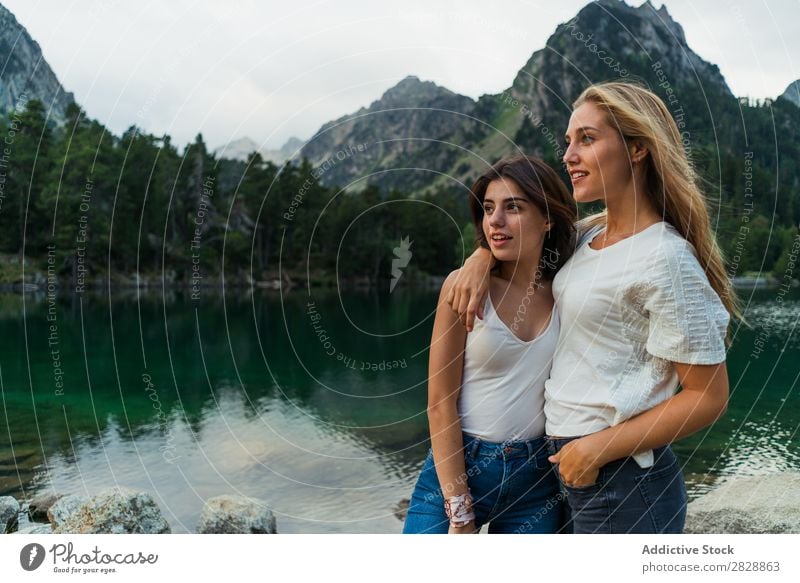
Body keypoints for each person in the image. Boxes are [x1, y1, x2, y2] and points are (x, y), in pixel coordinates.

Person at [446, 81, 738, 533]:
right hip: (563, 470)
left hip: (621, 480)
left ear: (637, 149)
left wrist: (596, 449)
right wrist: (481, 257)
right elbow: (519, 239)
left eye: (587, 138)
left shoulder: (665, 258)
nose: (568, 156)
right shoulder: (587, 236)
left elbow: (708, 397)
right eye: (567, 142)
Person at [402, 155, 577, 533]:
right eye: (488, 209)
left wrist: (481, 256)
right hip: (455, 465)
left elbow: (613, 229)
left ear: (548, 219)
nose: (495, 221)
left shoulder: (568, 289)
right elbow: (439, 404)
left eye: (513, 207)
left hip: (536, 479)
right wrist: (460, 511)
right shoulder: (464, 288)